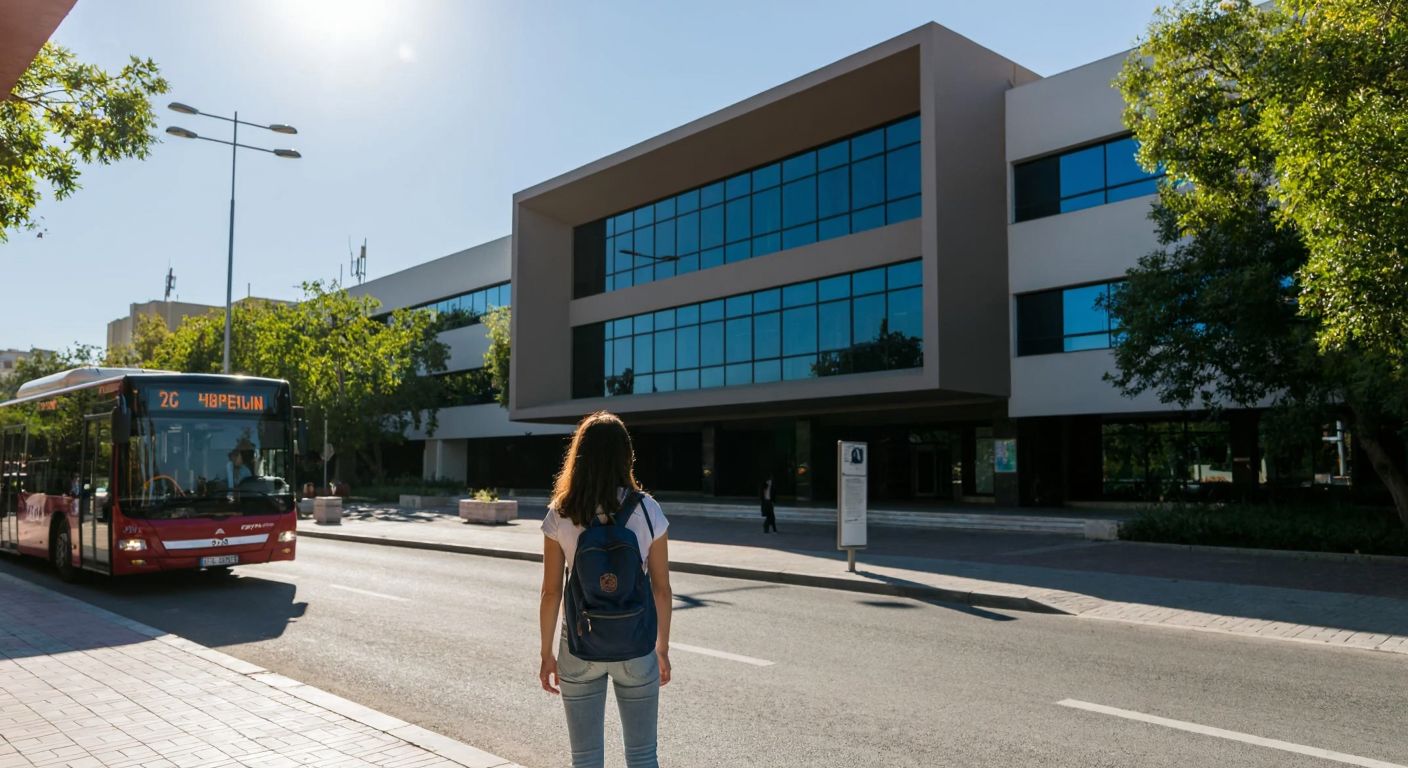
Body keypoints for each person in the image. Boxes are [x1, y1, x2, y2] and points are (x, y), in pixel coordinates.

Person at [539, 411, 672, 768]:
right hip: (636, 645)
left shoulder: (561, 512)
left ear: (578, 456)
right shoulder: (648, 510)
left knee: (585, 760)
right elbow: (662, 588)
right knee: (643, 757)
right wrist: (662, 649)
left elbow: (551, 592)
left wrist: (546, 654)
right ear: (625, 456)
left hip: (579, 646)